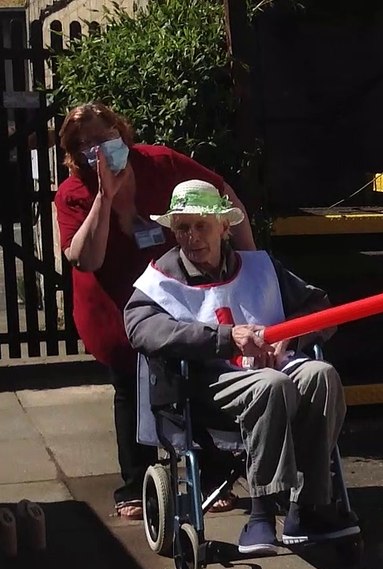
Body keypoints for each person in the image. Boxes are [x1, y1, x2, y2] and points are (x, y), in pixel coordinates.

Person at [124, 180, 359, 555]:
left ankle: (309, 506)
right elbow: (140, 328)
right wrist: (224, 337)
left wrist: (293, 336)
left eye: (201, 225)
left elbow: (322, 310)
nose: (191, 237)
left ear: (224, 227)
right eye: (182, 227)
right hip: (207, 384)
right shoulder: (161, 279)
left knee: (320, 375)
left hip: (273, 369)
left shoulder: (261, 267)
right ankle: (262, 511)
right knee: (271, 385)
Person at [55, 101, 255, 520]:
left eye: (103, 137)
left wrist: (250, 262)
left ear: (120, 133)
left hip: (175, 293)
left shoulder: (160, 162)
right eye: (84, 143)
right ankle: (134, 483)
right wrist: (104, 199)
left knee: (196, 375)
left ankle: (214, 475)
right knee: (131, 387)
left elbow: (221, 195)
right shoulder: (74, 192)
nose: (96, 148)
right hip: (111, 305)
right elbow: (84, 258)